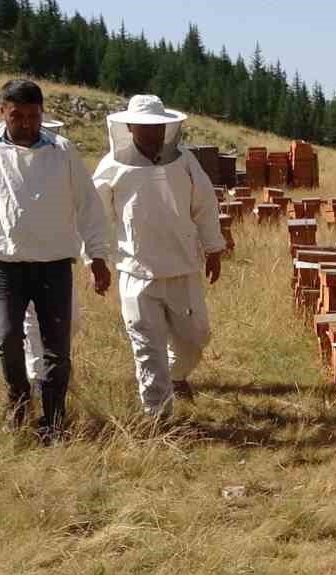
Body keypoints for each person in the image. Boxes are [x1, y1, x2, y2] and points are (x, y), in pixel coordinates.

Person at [0, 79, 112, 442]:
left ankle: (53, 420)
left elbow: (88, 205)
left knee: (57, 346)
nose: (25, 123)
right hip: (4, 262)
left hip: (54, 262)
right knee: (7, 338)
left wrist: (97, 256)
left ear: (42, 114)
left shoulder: (62, 149)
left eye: (33, 116)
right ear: (2, 110)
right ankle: (19, 403)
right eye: (17, 115)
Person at [91, 94, 224, 418]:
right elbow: (94, 216)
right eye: (146, 127)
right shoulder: (112, 166)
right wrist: (95, 259)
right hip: (136, 270)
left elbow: (204, 207)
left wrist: (214, 248)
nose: (153, 133)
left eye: (159, 127)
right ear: (131, 126)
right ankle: (158, 418)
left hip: (183, 266)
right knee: (147, 348)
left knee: (196, 338)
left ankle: (177, 376)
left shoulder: (185, 161)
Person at [21, 118, 81, 388]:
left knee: (68, 322)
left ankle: (52, 371)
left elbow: (82, 207)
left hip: (58, 260)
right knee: (32, 322)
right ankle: (37, 380)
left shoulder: (63, 164)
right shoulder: (10, 170)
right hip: (21, 260)